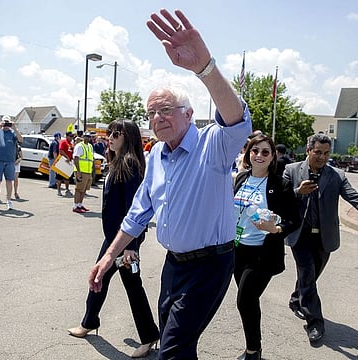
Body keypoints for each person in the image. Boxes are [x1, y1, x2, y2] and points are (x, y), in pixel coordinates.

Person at [88, 9, 252, 359]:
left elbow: (237, 120)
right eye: (150, 113)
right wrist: (108, 258)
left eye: (165, 109)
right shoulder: (157, 156)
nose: (156, 118)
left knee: (172, 352)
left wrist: (204, 67)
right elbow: (136, 215)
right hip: (174, 264)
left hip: (210, 265)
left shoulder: (214, 146)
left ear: (188, 113)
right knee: (175, 344)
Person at [283, 133, 358, 343]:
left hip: (325, 237)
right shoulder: (291, 170)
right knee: (307, 274)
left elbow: (354, 196)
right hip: (301, 236)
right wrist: (297, 192)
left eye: (326, 153)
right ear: (308, 151)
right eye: (317, 152)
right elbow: (280, 198)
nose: (322, 157)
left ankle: (297, 299)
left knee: (311, 276)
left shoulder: (337, 175)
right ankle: (315, 322)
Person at [68, 120, 159, 357]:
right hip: (115, 239)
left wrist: (132, 245)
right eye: (109, 133)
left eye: (116, 134)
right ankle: (90, 321)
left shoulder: (129, 164)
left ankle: (147, 336)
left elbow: (135, 208)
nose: (110, 137)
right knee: (106, 279)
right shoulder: (117, 161)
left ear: (127, 137)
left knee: (115, 281)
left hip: (123, 242)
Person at [233, 134, 300, 359]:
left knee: (245, 299)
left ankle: (253, 350)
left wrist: (276, 229)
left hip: (262, 253)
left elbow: (293, 219)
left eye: (265, 152)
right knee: (248, 300)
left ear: (272, 157)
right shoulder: (240, 179)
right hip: (237, 250)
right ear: (248, 153)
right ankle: (254, 348)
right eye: (255, 151)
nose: (259, 155)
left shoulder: (281, 184)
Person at [0, 116, 23, 211]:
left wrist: (15, 128)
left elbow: (21, 140)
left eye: (8, 122)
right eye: (5, 122)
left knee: (9, 181)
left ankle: (9, 201)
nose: (6, 125)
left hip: (10, 161)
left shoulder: (12, 132)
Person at [72, 132, 94, 213]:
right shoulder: (79, 146)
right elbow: (76, 159)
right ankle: (75, 206)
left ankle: (80, 205)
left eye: (89, 137)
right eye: (86, 136)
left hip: (88, 171)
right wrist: (78, 172)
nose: (87, 138)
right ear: (83, 137)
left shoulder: (90, 146)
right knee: (79, 189)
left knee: (84, 189)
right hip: (81, 171)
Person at [57, 132, 74, 197]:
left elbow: (71, 152)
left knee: (67, 177)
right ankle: (59, 190)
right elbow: (61, 150)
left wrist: (71, 158)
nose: (71, 138)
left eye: (72, 136)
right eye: (70, 136)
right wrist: (66, 156)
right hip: (62, 161)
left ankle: (67, 189)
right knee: (59, 177)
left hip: (68, 162)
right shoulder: (63, 142)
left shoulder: (71, 144)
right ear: (67, 136)